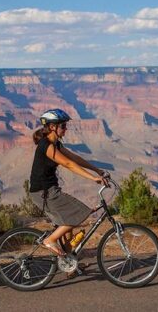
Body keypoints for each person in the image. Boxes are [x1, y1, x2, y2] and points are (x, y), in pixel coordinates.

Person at [29, 108, 109, 256]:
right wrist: (93, 178)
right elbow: (68, 164)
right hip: (44, 193)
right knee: (78, 213)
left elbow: (74, 158)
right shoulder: (46, 146)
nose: (66, 129)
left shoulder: (56, 144)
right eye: (63, 126)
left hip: (49, 190)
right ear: (53, 127)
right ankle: (50, 240)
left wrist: (96, 170)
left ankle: (69, 264)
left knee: (68, 225)